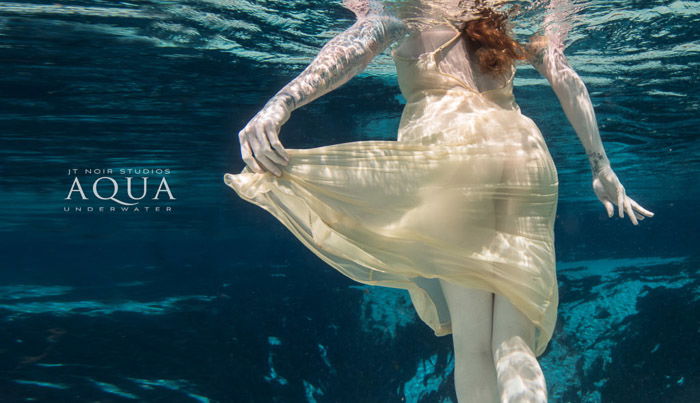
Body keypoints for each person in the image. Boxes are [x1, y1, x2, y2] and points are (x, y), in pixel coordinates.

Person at [224, 0, 654, 401]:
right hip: (526, 157)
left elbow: (354, 47)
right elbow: (566, 79)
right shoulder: (504, 17)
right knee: (513, 344)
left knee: (473, 347)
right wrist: (601, 167)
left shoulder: (407, 7)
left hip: (454, 157)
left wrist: (282, 103)